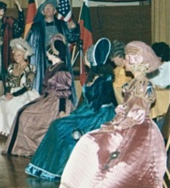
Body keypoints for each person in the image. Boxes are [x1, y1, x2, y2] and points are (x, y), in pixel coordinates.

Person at [59, 41, 167, 188]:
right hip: (129, 124)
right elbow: (129, 108)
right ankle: (86, 184)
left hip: (138, 130)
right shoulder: (134, 83)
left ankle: (98, 186)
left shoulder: (144, 84)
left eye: (128, 58)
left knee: (93, 141)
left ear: (136, 62)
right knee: (90, 140)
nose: (125, 61)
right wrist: (118, 117)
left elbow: (138, 113)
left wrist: (118, 125)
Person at [26, 38, 117, 180]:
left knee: (61, 128)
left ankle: (57, 170)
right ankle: (46, 167)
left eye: (86, 56)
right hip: (89, 113)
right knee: (58, 125)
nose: (84, 58)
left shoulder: (103, 79)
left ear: (91, 60)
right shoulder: (95, 77)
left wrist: (73, 116)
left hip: (97, 117)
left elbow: (97, 106)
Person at [4, 35, 74, 157]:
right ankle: (22, 146)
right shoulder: (51, 67)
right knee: (23, 112)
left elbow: (63, 92)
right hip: (47, 98)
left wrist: (62, 110)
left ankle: (30, 147)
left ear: (53, 52)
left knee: (26, 115)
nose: (46, 53)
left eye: (48, 51)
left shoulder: (62, 69)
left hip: (56, 103)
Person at [26, 0, 79, 103]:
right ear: (42, 12)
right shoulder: (36, 27)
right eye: (46, 8)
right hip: (43, 61)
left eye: (51, 8)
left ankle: (61, 104)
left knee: (60, 83)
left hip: (59, 61)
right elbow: (28, 44)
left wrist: (73, 28)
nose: (49, 10)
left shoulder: (62, 25)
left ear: (55, 11)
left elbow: (73, 37)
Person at [0, 38, 39, 139]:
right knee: (2, 104)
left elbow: (28, 86)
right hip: (13, 92)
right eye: (15, 55)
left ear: (24, 55)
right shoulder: (11, 67)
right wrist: (7, 93)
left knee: (14, 106)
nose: (16, 57)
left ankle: (13, 132)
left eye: (19, 55)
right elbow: (8, 83)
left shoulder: (30, 68)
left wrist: (14, 95)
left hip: (25, 93)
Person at [110, 40, 132, 105]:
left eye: (113, 57)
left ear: (120, 55)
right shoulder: (117, 69)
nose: (112, 60)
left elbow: (117, 88)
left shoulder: (125, 70)